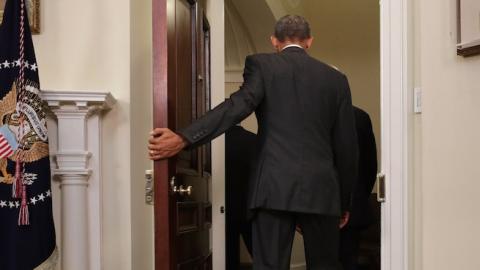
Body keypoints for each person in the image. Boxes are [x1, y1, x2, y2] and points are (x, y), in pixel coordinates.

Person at [148, 15, 358, 270]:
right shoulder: (336, 80)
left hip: (272, 188)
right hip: (322, 191)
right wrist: (344, 201)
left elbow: (236, 108)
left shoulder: (262, 65)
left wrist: (184, 137)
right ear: (309, 41)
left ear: (274, 41)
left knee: (269, 266)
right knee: (325, 266)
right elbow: (347, 147)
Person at [339, 106, 378, 270]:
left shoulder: (317, 116)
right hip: (355, 202)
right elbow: (370, 166)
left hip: (322, 205)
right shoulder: (360, 117)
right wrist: (359, 194)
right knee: (350, 260)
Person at [225, 125, 256, 269]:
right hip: (249, 205)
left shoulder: (217, 142)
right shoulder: (253, 139)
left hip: (226, 206)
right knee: (261, 255)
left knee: (228, 256)